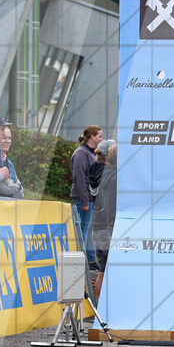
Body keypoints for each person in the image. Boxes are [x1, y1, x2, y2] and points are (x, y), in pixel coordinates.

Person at [71, 125, 103, 269]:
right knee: (83, 229)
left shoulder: (90, 153)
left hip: (91, 198)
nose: (101, 139)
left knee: (89, 230)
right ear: (92, 137)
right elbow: (79, 177)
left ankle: (90, 260)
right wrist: (84, 200)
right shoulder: (81, 153)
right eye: (99, 136)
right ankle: (83, 260)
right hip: (83, 198)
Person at [92, 144, 118, 301]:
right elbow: (113, 208)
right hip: (109, 229)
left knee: (103, 269)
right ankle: (106, 308)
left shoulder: (106, 175)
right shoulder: (116, 178)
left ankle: (99, 311)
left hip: (99, 228)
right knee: (109, 270)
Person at [0, 126, 24, 199]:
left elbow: (21, 192)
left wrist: (16, 189)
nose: (7, 141)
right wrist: (17, 188)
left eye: (9, 138)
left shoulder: (10, 164)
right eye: (4, 138)